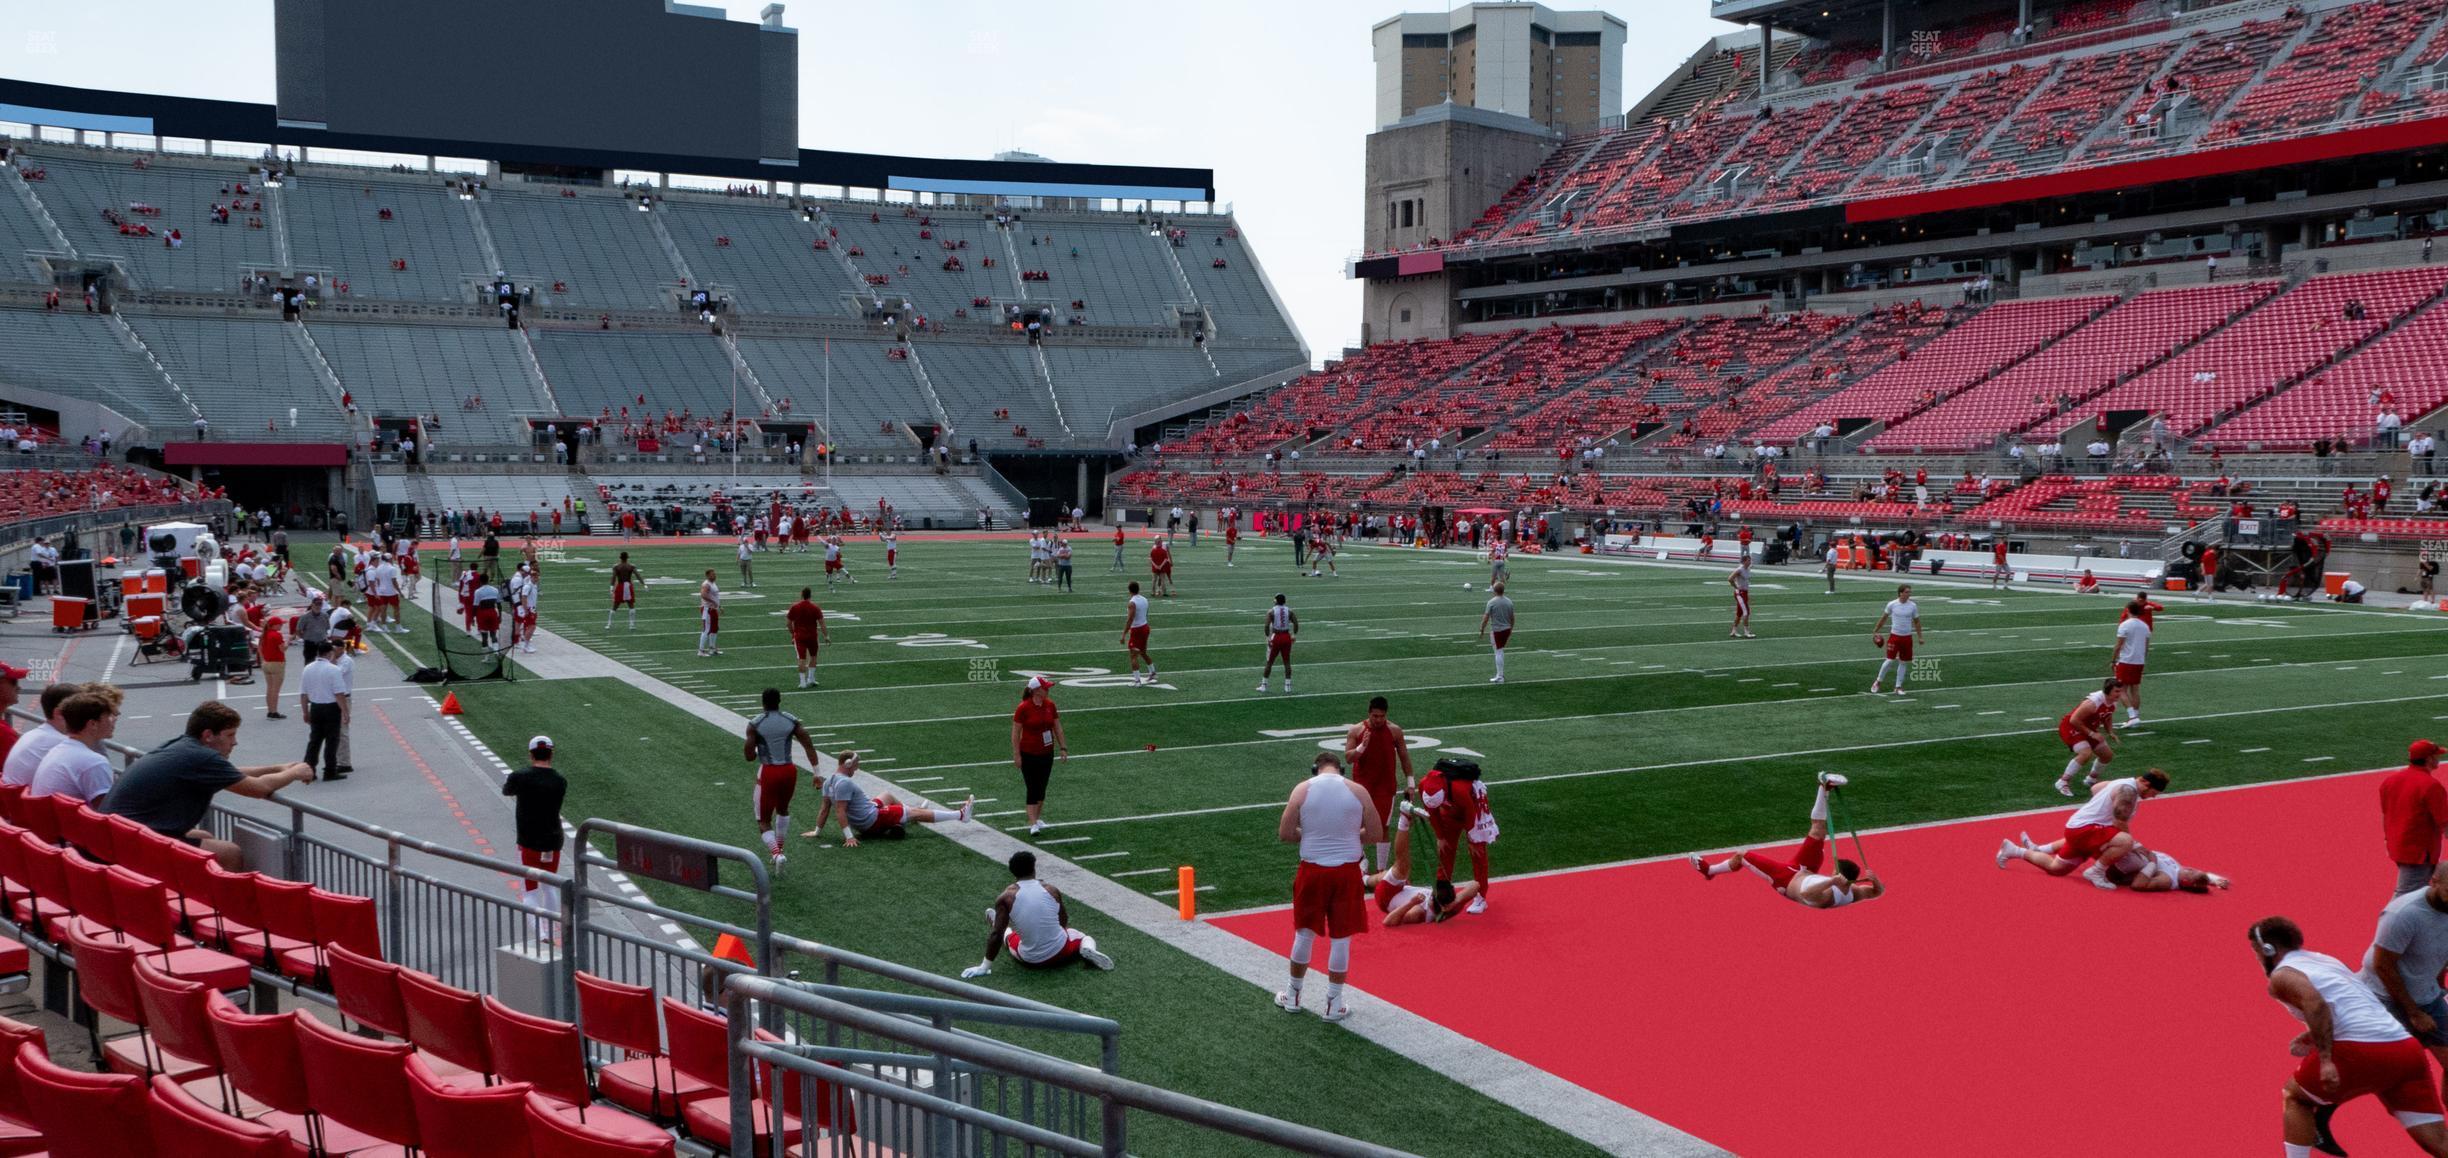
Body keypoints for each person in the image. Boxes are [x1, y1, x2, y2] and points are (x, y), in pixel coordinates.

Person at [2250, 915, 2448, 1158]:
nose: (2257, 958)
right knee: (2440, 1144)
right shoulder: (2324, 961)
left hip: (2362, 1049)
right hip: (2405, 1049)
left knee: (2296, 1098)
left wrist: (2325, 1060)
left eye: (2256, 951)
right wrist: (2314, 1034)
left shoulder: (2282, 976)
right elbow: (2351, 1003)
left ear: (2267, 949)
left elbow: (2316, 1005)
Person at [100, 700, 314, 869]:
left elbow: (230, 774)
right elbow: (258, 788)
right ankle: (223, 913)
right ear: (208, 735)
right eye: (230, 735)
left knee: (205, 837)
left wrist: (276, 768)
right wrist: (295, 772)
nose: (235, 742)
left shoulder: (183, 747)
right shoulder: (202, 758)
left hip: (120, 834)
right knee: (229, 853)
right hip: (135, 842)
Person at [1274, 752, 1382, 1023]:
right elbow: (1375, 834)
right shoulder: (1358, 791)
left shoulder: (1302, 790)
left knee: (1304, 934)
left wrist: (1311, 834)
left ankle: (1293, 995)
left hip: (1312, 870)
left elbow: (1285, 833)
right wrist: (1346, 835)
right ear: (1340, 770)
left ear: (1316, 769)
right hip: (1346, 871)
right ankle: (1334, 1003)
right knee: (1341, 938)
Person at [1691, 773, 1883, 908]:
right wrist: (1876, 883)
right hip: (1804, 869)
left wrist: (1830, 881)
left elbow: (1808, 894)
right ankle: (1824, 787)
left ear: (1839, 876)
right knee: (1818, 832)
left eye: (1834, 871)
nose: (1831, 871)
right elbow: (1876, 893)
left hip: (1785, 879)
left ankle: (1710, 871)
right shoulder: (1853, 891)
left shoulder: (1827, 895)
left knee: (1742, 855)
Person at [2364, 863, 2448, 1110]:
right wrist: (2413, 1012)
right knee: (2384, 1069)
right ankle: (2316, 1107)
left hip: (2426, 996)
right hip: (2384, 997)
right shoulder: (2404, 913)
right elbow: (2382, 965)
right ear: (2434, 882)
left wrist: (2438, 985)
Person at [1999, 768, 2169, 888]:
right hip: (2085, 829)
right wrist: (2135, 845)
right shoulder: (2129, 792)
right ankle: (2096, 872)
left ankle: (2014, 850)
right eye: (2154, 792)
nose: (2153, 797)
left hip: (2079, 827)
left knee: (2057, 869)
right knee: (2125, 841)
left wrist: (2100, 810)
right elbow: (2119, 821)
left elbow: (2096, 788)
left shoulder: (2122, 781)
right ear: (2146, 784)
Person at [962, 850, 1114, 977]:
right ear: (1034, 868)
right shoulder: (1051, 890)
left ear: (1013, 872)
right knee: (1082, 937)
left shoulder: (1005, 897)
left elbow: (996, 936)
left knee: (1007, 937)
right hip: (1061, 950)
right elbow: (1063, 921)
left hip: (1031, 959)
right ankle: (1088, 949)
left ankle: (998, 922)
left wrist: (984, 967)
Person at [806, 752, 972, 847]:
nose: (857, 768)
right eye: (856, 765)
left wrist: (817, 831)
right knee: (913, 812)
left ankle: (904, 815)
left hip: (867, 812)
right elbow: (839, 811)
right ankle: (960, 815)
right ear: (848, 763)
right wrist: (849, 837)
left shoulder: (829, 782)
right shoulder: (844, 783)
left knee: (887, 795)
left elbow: (824, 808)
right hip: (871, 819)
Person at [1368, 799, 1480, 926]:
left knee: (1402, 868)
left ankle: (1404, 818)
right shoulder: (1452, 906)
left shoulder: (1418, 912)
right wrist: (1454, 902)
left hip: (1385, 897)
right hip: (1403, 888)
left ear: (1433, 897)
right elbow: (1475, 885)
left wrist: (1412, 903)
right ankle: (1364, 879)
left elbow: (1387, 922)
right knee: (1386, 875)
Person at [744, 688, 821, 871]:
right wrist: (817, 773)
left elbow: (749, 756)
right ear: (780, 701)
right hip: (789, 770)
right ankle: (780, 849)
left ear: (763, 703)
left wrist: (757, 749)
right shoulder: (791, 720)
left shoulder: (755, 724)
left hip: (769, 771)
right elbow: (808, 745)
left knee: (763, 820)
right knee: (783, 809)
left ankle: (776, 854)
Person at [1343, 696, 1415, 873]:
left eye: (1382, 716)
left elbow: (1404, 756)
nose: (1378, 720)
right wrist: (1362, 747)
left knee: (1383, 827)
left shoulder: (1395, 731)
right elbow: (1349, 758)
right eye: (1375, 716)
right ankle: (1360, 862)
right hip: (1361, 788)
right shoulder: (1356, 730)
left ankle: (1381, 870)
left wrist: (1411, 782)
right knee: (1357, 826)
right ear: (1369, 713)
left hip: (1385, 787)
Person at [501, 735, 567, 915]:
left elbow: (507, 790)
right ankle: (553, 925)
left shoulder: (520, 776)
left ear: (531, 755)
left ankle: (541, 932)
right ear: (551, 754)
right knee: (549, 886)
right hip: (552, 842)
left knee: (530, 889)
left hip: (528, 841)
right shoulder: (560, 781)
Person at [29, 690, 122, 805]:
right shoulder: (94, 762)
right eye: (108, 717)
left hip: (50, 820)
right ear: (92, 724)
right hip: (67, 822)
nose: (113, 720)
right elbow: (107, 810)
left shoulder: (56, 751)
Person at [2383, 740, 2448, 896]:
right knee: (2407, 896)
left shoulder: (2390, 781)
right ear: (2428, 759)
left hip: (2397, 847)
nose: (2438, 759)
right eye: (2435, 756)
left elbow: (2385, 814)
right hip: (2419, 853)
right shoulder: (2430, 786)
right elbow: (2445, 823)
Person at [1011, 676, 1067, 835]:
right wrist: (1017, 754)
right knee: (1032, 787)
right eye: (1045, 687)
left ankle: (1037, 818)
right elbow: (1015, 732)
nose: (1048, 690)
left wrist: (1063, 748)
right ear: (1036, 690)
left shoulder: (1050, 705)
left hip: (1047, 752)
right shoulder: (1023, 708)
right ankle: (1033, 822)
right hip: (1028, 753)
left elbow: (1057, 727)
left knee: (1042, 787)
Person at [2, 681, 83, 787]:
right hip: (25, 800)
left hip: (15, 799)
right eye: (81, 710)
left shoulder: (31, 734)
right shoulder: (63, 744)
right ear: (58, 713)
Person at [2054, 679, 2126, 796]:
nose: (2120, 694)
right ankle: (2062, 781)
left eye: (2120, 691)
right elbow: (2074, 720)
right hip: (2071, 727)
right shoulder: (2092, 703)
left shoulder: (2113, 701)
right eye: (2117, 691)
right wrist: (2092, 734)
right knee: (2085, 753)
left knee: (2107, 755)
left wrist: (2110, 732)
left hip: (2087, 727)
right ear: (2108, 691)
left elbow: (2107, 716)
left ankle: (2091, 780)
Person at [299, 640, 350, 781]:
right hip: (331, 708)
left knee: (314, 740)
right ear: (330, 653)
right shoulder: (334, 670)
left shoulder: (308, 668)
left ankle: (309, 770)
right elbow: (339, 693)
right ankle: (330, 771)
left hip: (315, 707)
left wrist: (305, 712)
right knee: (331, 741)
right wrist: (345, 712)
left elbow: (303, 694)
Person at [2100, 843, 2231, 893]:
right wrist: (2215, 879)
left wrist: (2152, 862)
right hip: (2130, 854)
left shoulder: (2167, 880)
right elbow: (2201, 877)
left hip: (2119, 868)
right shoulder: (2179, 871)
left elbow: (2138, 885)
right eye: (2194, 870)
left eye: (2191, 872)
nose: (2191, 868)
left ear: (2185, 882)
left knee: (2125, 841)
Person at [1868, 584, 1923, 695]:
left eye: (1910, 592)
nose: (1909, 594)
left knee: (1903, 662)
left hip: (1907, 637)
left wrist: (1920, 637)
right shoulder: (1892, 604)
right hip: (1895, 636)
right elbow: (1884, 618)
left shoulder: (1913, 606)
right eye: (1907, 592)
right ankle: (1878, 681)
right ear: (1900, 593)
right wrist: (1876, 630)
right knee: (1889, 660)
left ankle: (1898, 687)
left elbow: (1917, 621)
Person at [786, 588, 828, 688]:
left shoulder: (795, 607)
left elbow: (788, 623)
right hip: (812, 636)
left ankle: (802, 682)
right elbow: (822, 623)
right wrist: (826, 636)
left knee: (801, 658)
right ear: (810, 595)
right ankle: (811, 679)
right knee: (813, 656)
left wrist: (793, 634)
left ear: (802, 595)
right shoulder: (815, 607)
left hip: (800, 636)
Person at [1258, 594, 1299, 693]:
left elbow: (1267, 625)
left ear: (1276, 601)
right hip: (1286, 637)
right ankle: (1288, 686)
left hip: (1276, 637)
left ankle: (1264, 685)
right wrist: (1294, 634)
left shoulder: (1271, 611)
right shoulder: (1289, 611)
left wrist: (1267, 637)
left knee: (1269, 662)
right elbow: (1296, 623)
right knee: (1287, 662)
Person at [1478, 581, 1515, 684]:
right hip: (1506, 629)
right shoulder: (1509, 601)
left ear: (1494, 590)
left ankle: (1500, 676)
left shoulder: (1492, 602)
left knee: (1498, 652)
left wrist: (1482, 629)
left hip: (1497, 630)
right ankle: (1500, 674)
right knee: (1500, 651)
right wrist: (1511, 629)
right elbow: (1512, 618)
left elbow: (1486, 617)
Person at [1121, 582, 1157, 686]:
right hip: (1145, 627)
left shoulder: (1132, 603)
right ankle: (1153, 672)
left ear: (1129, 590)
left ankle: (1137, 681)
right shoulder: (1144, 599)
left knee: (1133, 656)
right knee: (1143, 652)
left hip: (1137, 630)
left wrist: (1123, 634)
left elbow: (1130, 619)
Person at [259, 614, 287, 718]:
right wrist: (288, 641)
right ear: (275, 625)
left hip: (267, 663)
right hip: (277, 663)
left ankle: (270, 710)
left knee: (270, 688)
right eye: (280, 624)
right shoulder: (277, 635)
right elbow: (282, 649)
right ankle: (274, 711)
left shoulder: (265, 634)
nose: (281, 626)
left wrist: (263, 659)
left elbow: (260, 648)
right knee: (276, 690)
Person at [607, 551, 639, 629]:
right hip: (628, 586)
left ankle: (609, 624)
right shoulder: (631, 566)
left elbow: (614, 578)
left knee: (615, 606)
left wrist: (611, 587)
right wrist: (644, 584)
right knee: (631, 605)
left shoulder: (616, 566)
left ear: (620, 557)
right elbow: (638, 576)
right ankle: (631, 625)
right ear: (627, 557)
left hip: (620, 586)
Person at [1728, 556, 1756, 639]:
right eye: (1748, 560)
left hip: (1745, 592)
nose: (1750, 562)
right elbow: (1730, 579)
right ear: (1744, 562)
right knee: (1746, 612)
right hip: (1740, 593)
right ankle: (1746, 632)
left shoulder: (1748, 568)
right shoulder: (1739, 569)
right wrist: (1736, 587)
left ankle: (1733, 631)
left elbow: (1751, 565)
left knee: (1739, 613)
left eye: (1750, 560)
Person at [698, 569, 723, 657]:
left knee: (715, 628)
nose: (715, 575)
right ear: (708, 576)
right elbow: (703, 595)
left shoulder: (713, 583)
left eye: (715, 574)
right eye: (712, 574)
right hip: (707, 609)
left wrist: (719, 606)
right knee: (706, 629)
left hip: (713, 609)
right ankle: (701, 650)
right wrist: (713, 602)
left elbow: (715, 596)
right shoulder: (706, 584)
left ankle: (712, 648)